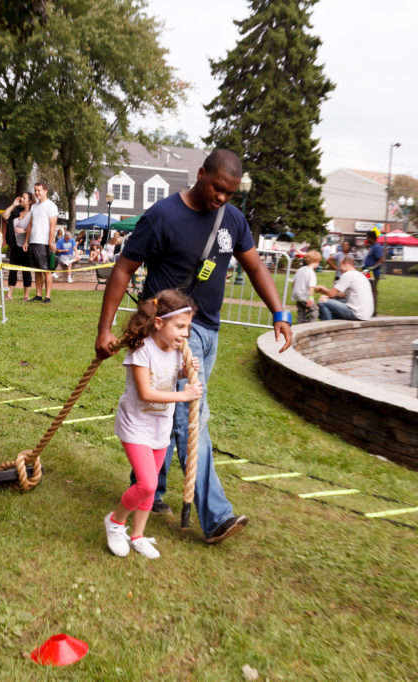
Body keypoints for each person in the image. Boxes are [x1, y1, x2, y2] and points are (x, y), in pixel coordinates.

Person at [95, 148, 292, 545]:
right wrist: (105, 329)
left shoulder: (232, 220)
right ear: (201, 173)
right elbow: (124, 269)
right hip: (168, 331)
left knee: (170, 408)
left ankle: (149, 488)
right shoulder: (162, 216)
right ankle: (216, 516)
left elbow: (254, 266)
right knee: (191, 414)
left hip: (209, 331)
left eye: (230, 193)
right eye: (217, 188)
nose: (222, 197)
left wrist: (279, 311)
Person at [104, 289, 203, 559]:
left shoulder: (176, 351)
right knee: (147, 484)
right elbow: (146, 393)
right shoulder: (142, 350)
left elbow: (168, 374)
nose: (185, 334)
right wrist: (184, 395)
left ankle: (137, 535)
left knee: (150, 486)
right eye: (180, 326)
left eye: (188, 327)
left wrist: (184, 371)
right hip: (135, 426)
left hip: (160, 427)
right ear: (159, 323)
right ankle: (115, 521)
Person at [24, 181, 58, 303]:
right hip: (33, 242)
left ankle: (47, 297)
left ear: (45, 191)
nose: (37, 193)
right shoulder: (34, 207)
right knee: (37, 271)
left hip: (44, 243)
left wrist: (50, 242)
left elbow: (53, 226)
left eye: (39, 190)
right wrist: (26, 241)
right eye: (35, 190)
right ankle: (38, 295)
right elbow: (30, 225)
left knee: (46, 271)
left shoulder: (51, 206)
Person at [317, 255, 374, 321]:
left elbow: (331, 293)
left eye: (340, 266)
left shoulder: (348, 275)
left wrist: (323, 289)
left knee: (322, 302)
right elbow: (343, 295)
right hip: (366, 313)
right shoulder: (360, 275)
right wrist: (328, 297)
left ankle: (327, 325)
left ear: (346, 264)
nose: (339, 269)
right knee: (331, 302)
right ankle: (329, 320)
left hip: (356, 313)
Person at [3, 194, 34, 301]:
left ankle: (26, 296)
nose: (22, 199)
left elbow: (35, 228)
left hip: (26, 247)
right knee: (13, 271)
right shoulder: (16, 211)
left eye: (24, 198)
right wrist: (14, 204)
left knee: (26, 271)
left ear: (30, 201)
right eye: (21, 197)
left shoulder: (32, 213)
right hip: (15, 246)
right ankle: (9, 294)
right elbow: (4, 215)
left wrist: (24, 231)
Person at [291, 250, 331, 322]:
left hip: (296, 294)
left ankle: (300, 325)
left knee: (301, 312)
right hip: (304, 296)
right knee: (314, 311)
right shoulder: (311, 272)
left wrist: (294, 291)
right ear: (317, 261)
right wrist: (311, 298)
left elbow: (294, 282)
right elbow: (311, 286)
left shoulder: (301, 269)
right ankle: (311, 325)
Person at [361, 230, 384, 315]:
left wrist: (371, 268)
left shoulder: (377, 247)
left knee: (372, 291)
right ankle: (367, 309)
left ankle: (373, 311)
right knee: (366, 290)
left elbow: (381, 260)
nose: (366, 239)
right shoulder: (372, 246)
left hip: (373, 273)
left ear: (371, 238)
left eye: (367, 237)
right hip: (367, 272)